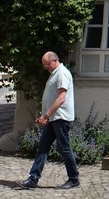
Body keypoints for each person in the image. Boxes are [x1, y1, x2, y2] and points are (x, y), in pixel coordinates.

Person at [20, 52, 80, 190]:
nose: (46, 67)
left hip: (60, 118)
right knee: (43, 148)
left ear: (54, 61)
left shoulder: (62, 73)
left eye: (47, 65)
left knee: (64, 148)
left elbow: (61, 97)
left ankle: (74, 179)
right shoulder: (55, 74)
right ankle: (33, 179)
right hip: (54, 118)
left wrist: (46, 115)